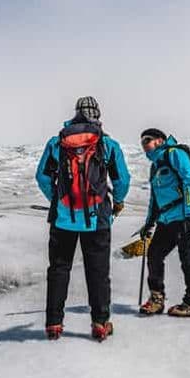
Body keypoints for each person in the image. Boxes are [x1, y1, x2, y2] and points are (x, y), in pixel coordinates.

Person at [35, 96, 130, 341]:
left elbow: (43, 177)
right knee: (98, 271)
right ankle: (100, 323)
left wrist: (59, 200)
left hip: (63, 219)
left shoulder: (57, 143)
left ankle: (54, 324)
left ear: (76, 113)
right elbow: (122, 180)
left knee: (59, 269)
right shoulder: (107, 144)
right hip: (97, 218)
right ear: (97, 115)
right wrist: (117, 202)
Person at [138, 128, 190, 318]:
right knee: (154, 255)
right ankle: (157, 299)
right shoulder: (155, 166)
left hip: (185, 217)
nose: (144, 145)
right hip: (166, 220)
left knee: (188, 259)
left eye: (147, 140)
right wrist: (149, 222)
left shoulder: (175, 154)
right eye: (142, 142)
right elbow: (154, 198)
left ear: (159, 141)